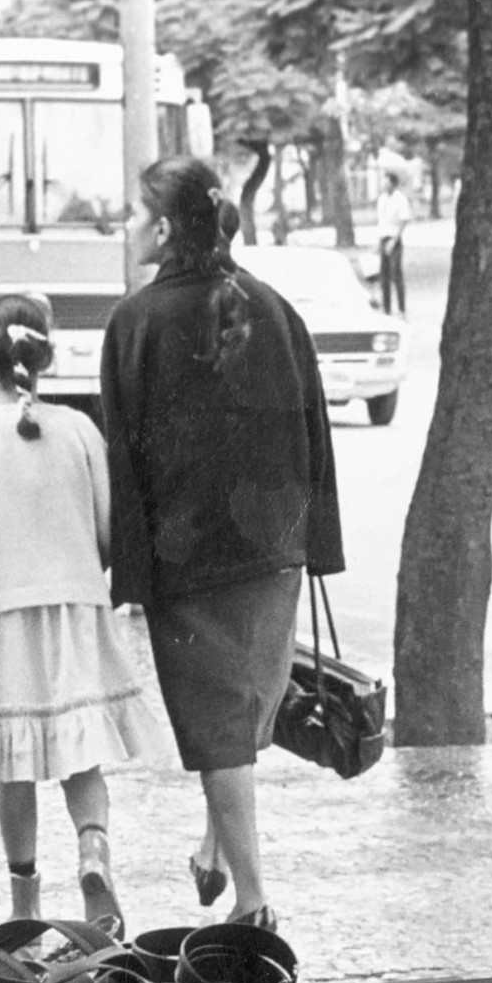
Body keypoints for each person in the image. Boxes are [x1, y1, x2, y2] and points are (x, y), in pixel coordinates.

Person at [100, 155, 344, 937]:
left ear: (166, 228)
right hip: (273, 550)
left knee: (215, 728)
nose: (126, 228)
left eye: (134, 216)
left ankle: (252, 903)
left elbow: (124, 459)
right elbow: (315, 434)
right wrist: (318, 546)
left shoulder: (135, 322)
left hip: (189, 561)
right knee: (238, 716)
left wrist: (129, 575)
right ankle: (214, 847)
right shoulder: (274, 308)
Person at [0, 294, 169, 933]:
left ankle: (25, 900)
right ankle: (93, 849)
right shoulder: (82, 429)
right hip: (78, 608)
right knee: (80, 754)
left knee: (17, 764)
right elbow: (110, 529)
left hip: (6, 618)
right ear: (44, 355)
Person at [374, 170, 411, 316]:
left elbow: (404, 220)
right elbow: (381, 222)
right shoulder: (381, 199)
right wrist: (379, 242)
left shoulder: (400, 199)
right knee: (384, 275)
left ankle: (402, 308)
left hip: (394, 238)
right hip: (383, 237)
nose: (384, 184)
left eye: (387, 181)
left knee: (396, 274)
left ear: (393, 183)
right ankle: (387, 308)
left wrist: (394, 241)